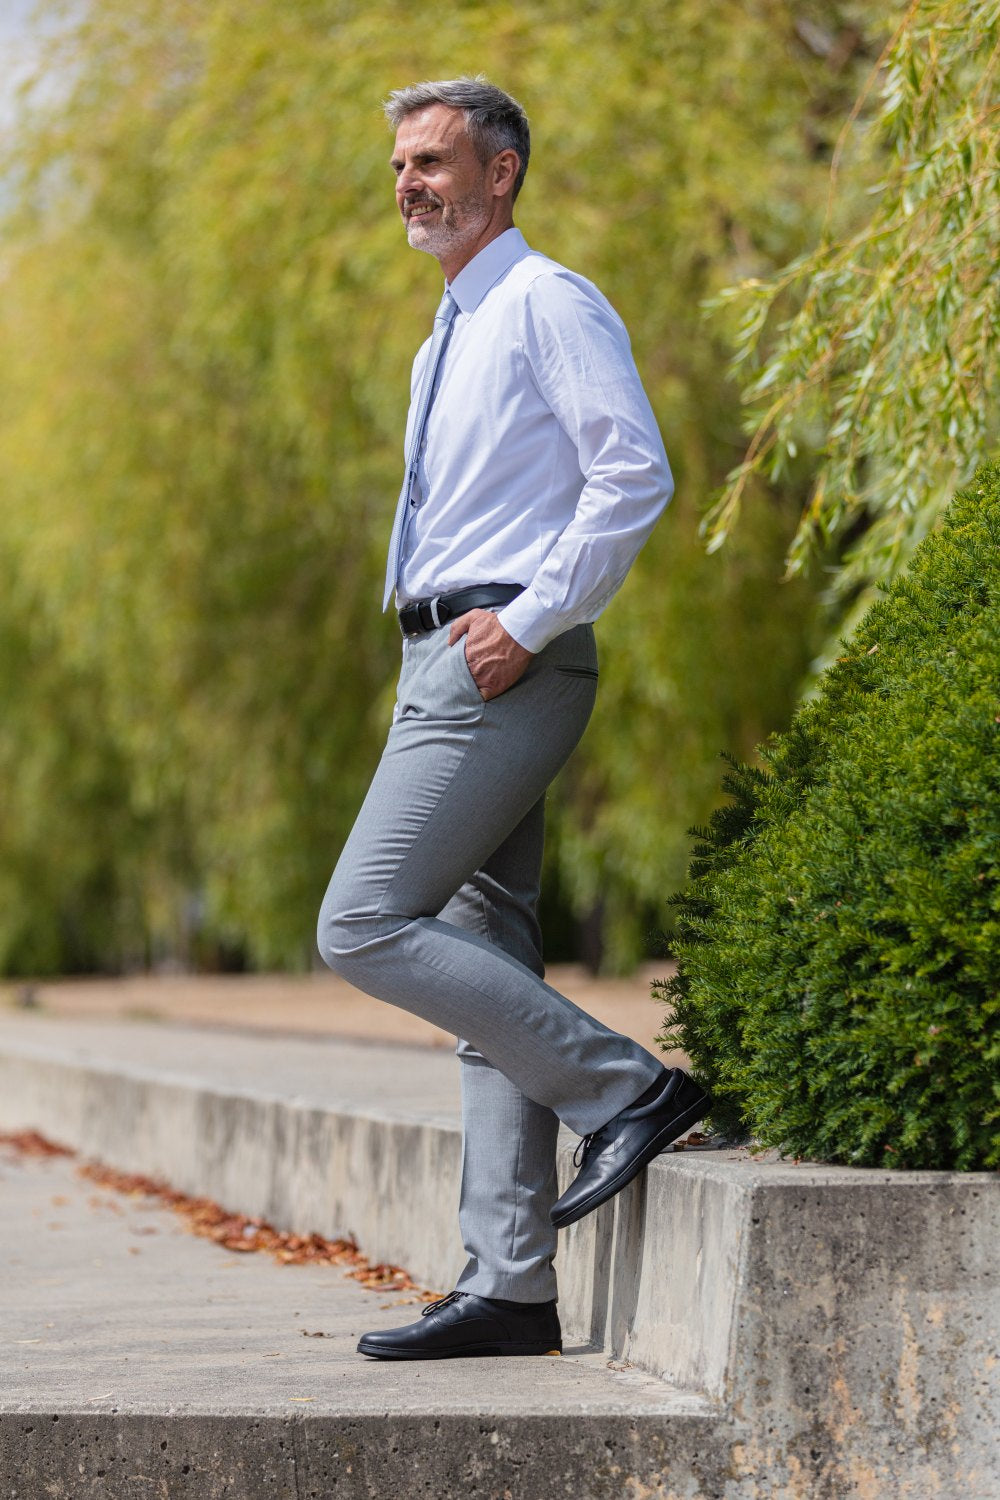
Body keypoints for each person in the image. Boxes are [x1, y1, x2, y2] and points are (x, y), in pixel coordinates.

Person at [316, 76, 709, 1361]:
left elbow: (632, 471)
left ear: (502, 174)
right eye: (400, 165)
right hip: (441, 656)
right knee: (487, 965)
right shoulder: (448, 332)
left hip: (499, 659)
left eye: (433, 161)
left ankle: (627, 1088)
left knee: (362, 921)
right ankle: (511, 1285)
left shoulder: (546, 301)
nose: (409, 183)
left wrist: (529, 622)